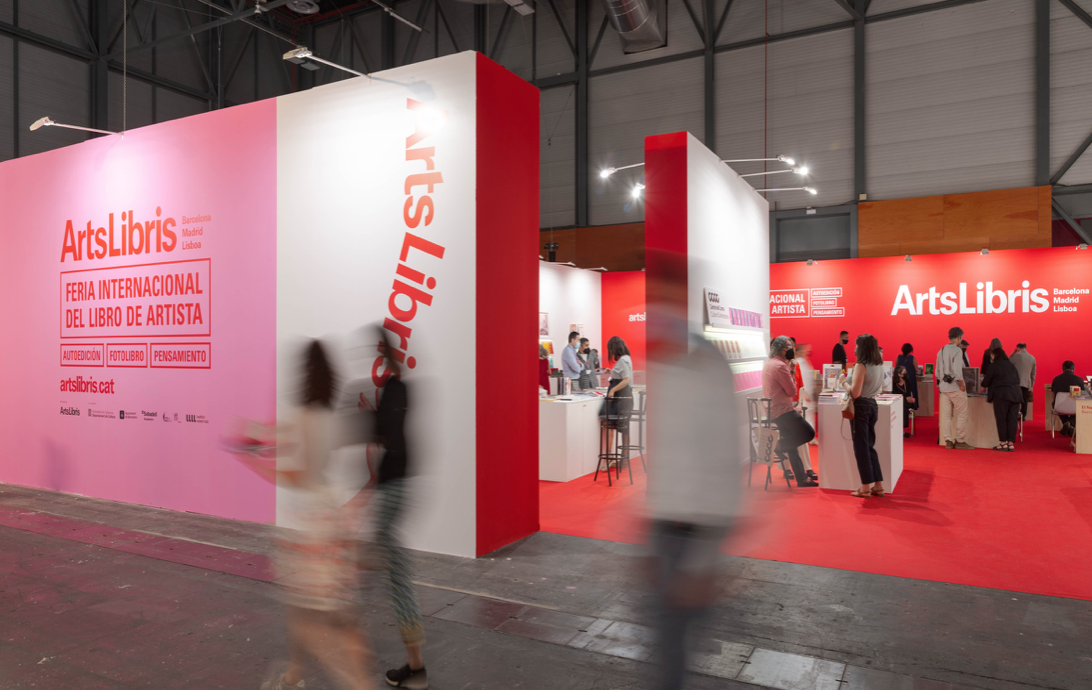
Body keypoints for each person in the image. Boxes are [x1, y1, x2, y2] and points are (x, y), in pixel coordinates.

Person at [235, 341, 375, 690]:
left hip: (307, 528)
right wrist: (266, 436)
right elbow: (302, 446)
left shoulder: (300, 418)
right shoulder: (331, 418)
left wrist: (252, 461)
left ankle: (358, 684)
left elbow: (296, 475)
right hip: (332, 519)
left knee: (306, 619)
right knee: (326, 613)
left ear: (303, 374)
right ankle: (294, 675)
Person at [369, 331, 428, 689]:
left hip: (394, 485)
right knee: (393, 568)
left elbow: (385, 433)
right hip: (397, 484)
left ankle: (416, 666)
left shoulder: (396, 389)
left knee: (397, 574)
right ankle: (415, 664)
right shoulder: (400, 388)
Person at [762, 336, 818, 488]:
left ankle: (802, 479)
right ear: (780, 349)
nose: (791, 349)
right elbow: (792, 391)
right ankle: (777, 446)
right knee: (808, 433)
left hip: (775, 410)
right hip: (783, 410)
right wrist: (792, 371)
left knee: (792, 446)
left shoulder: (770, 363)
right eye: (788, 347)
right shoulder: (780, 366)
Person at [841, 334, 887, 498]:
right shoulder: (879, 364)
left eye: (856, 345)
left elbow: (855, 393)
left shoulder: (861, 365)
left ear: (861, 347)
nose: (855, 348)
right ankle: (878, 485)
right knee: (869, 446)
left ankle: (865, 487)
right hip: (872, 405)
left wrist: (843, 382)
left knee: (861, 448)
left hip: (860, 407)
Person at [937, 327, 974, 450]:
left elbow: (937, 372)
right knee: (963, 414)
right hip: (955, 387)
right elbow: (958, 371)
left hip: (944, 388)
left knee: (946, 415)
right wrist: (962, 385)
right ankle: (959, 440)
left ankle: (948, 440)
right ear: (959, 337)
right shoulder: (958, 351)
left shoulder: (941, 350)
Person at [600, 336, 634, 463]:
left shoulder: (623, 360)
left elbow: (626, 380)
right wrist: (612, 372)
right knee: (621, 427)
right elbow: (623, 376)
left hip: (620, 398)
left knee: (611, 424)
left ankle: (610, 457)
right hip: (622, 397)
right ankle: (622, 458)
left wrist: (613, 390)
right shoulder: (625, 358)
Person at [982, 347, 1021, 452]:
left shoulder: (994, 365)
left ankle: (1003, 443)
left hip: (1002, 395)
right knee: (1012, 419)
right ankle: (1011, 443)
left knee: (1001, 418)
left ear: (995, 355)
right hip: (1016, 394)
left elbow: (986, 381)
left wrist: (981, 388)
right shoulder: (1011, 365)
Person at [1051, 361, 1086, 436]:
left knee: (1054, 404)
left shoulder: (1056, 379)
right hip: (1075, 406)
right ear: (1074, 369)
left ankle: (1068, 425)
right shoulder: (1079, 380)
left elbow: (1053, 395)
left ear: (1062, 369)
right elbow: (1082, 395)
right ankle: (1070, 423)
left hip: (1059, 406)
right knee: (1081, 407)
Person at [1009, 343, 1036, 420]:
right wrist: (1032, 383)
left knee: (1015, 399)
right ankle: (1023, 415)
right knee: (1024, 399)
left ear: (1017, 348)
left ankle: (1015, 414)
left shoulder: (1016, 356)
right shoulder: (1032, 358)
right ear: (1025, 348)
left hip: (1016, 381)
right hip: (1026, 382)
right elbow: (1033, 373)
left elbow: (1008, 362)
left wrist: (1013, 353)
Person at [895, 344, 920, 418]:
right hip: (910, 379)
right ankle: (911, 410)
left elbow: (896, 368)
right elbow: (916, 369)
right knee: (911, 393)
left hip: (899, 379)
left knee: (901, 393)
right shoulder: (912, 358)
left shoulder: (898, 357)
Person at [892, 366, 914, 438]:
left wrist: (908, 398)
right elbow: (895, 394)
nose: (905, 373)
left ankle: (901, 430)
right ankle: (901, 431)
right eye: (904, 372)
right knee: (901, 406)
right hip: (897, 401)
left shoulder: (907, 382)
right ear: (899, 374)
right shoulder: (894, 383)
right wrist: (904, 397)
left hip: (906, 401)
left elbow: (909, 393)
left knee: (903, 405)